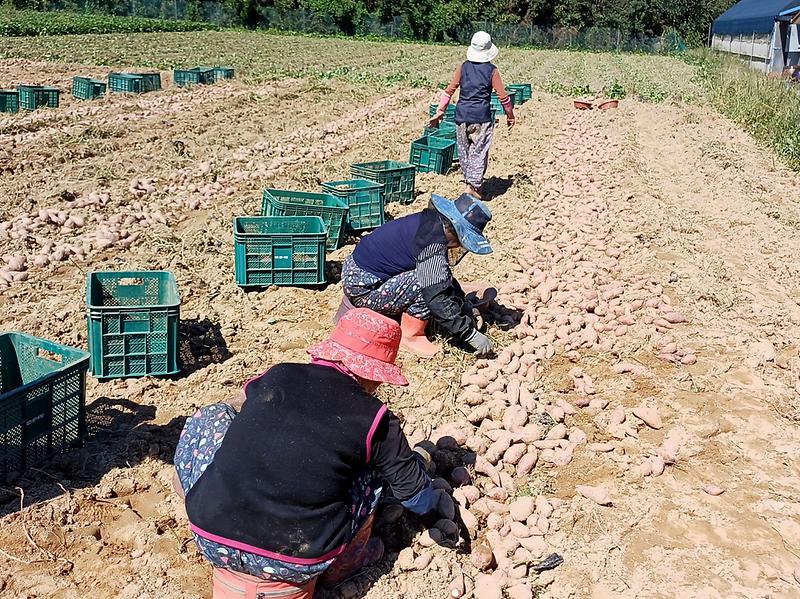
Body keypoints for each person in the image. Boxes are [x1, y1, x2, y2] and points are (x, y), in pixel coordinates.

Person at [173, 308, 441, 599]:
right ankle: (346, 566)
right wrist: (437, 506)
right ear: (375, 375)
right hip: (299, 558)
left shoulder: (279, 374)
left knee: (214, 415)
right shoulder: (376, 419)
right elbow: (414, 495)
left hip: (210, 533)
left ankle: (186, 487)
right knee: (373, 470)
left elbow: (245, 406)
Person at [339, 193, 494, 358]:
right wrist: (468, 333)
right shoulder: (431, 243)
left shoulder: (431, 224)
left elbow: (442, 275)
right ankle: (411, 336)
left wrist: (462, 303)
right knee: (423, 285)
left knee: (434, 277)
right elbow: (435, 294)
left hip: (360, 271)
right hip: (363, 286)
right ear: (454, 229)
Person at [429, 31, 515, 200]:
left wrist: (440, 111)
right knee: (479, 151)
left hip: (461, 117)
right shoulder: (492, 71)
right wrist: (510, 115)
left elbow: (449, 91)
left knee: (464, 151)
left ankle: (471, 183)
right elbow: (503, 96)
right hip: (481, 118)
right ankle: (473, 187)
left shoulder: (463, 67)